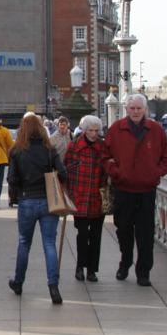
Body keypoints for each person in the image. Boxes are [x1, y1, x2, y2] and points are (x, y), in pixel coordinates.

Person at [102, 93, 167, 286]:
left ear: (144, 110)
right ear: (126, 109)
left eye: (139, 108)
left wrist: (154, 173)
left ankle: (143, 272)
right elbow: (104, 156)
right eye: (132, 108)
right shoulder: (116, 129)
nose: (135, 112)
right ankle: (125, 262)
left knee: (145, 233)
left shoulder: (156, 130)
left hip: (146, 190)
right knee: (123, 230)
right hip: (123, 189)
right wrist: (117, 173)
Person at [7, 112, 66, 305]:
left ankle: (18, 282)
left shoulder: (16, 150)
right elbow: (63, 173)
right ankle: (53, 286)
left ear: (22, 129)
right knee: (49, 244)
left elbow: (11, 179)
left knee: (24, 243)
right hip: (49, 201)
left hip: (26, 201)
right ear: (41, 128)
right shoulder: (49, 149)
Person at [65, 115, 107, 283]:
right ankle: (80, 267)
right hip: (80, 197)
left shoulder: (103, 147)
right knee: (82, 235)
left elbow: (108, 169)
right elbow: (66, 169)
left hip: (97, 198)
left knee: (96, 236)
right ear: (83, 130)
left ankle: (92, 270)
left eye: (96, 131)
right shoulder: (74, 146)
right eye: (90, 130)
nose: (94, 134)